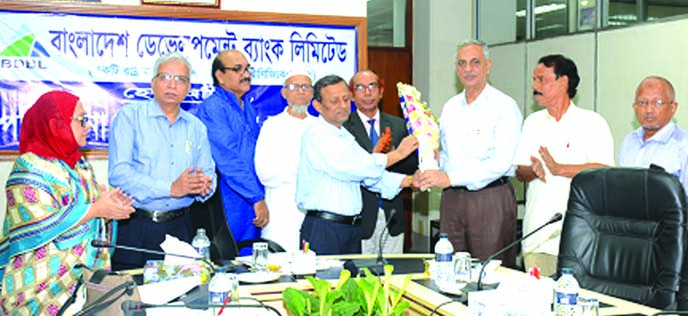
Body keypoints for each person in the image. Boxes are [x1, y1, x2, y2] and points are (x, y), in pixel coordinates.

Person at [0, 91, 134, 314]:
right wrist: (97, 209)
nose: (88, 126)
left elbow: (90, 212)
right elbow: (39, 225)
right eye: (81, 120)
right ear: (56, 125)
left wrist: (109, 211)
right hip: (39, 284)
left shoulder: (78, 164)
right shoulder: (29, 168)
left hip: (79, 278)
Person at [416, 39, 522, 267]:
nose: (468, 69)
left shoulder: (504, 106)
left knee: (490, 273)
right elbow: (446, 155)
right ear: (456, 68)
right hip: (452, 199)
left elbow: (500, 163)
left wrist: (449, 178)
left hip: (490, 198)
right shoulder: (451, 107)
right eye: (462, 63)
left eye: (475, 62)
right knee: (450, 269)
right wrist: (428, 170)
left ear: (488, 66)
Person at [109, 52, 216, 271]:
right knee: (134, 299)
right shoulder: (129, 117)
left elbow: (208, 172)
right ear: (153, 83)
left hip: (183, 227)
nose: (172, 85)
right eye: (166, 77)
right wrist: (171, 188)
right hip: (137, 225)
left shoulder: (196, 127)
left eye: (181, 80)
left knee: (184, 297)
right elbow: (118, 174)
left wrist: (205, 186)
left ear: (188, 88)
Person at [514, 54, 614, 276]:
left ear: (564, 82)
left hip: (579, 237)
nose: (534, 85)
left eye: (542, 79)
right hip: (537, 235)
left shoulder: (592, 122)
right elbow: (520, 171)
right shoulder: (532, 122)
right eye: (534, 79)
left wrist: (560, 169)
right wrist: (533, 171)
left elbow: (605, 171)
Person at [296, 74, 418, 255]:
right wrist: (398, 154)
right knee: (326, 283)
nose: (343, 106)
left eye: (345, 99)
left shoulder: (344, 135)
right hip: (326, 229)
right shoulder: (317, 134)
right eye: (334, 101)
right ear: (317, 106)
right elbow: (357, 166)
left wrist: (410, 181)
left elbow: (369, 178)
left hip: (350, 229)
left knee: (351, 282)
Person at [196, 50, 268, 255]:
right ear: (220, 76)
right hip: (230, 201)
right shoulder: (213, 108)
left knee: (252, 263)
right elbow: (228, 160)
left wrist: (258, 196)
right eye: (237, 69)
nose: (245, 74)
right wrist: (256, 198)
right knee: (231, 263)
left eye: (247, 69)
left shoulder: (247, 107)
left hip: (252, 197)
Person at [343, 69, 418, 254]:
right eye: (360, 88)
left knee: (393, 275)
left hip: (393, 215)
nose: (367, 93)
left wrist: (394, 155)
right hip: (360, 217)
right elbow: (353, 169)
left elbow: (411, 166)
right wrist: (382, 156)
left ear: (381, 91)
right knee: (362, 275)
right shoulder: (343, 128)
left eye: (372, 86)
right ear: (352, 95)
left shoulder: (399, 125)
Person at [254, 70, 316, 251]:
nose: (300, 91)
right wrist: (304, 172)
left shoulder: (319, 126)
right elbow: (264, 171)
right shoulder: (272, 125)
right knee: (279, 265)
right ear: (284, 93)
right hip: (281, 206)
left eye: (305, 86)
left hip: (313, 209)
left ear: (312, 93)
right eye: (294, 86)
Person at [618, 76, 688, 189]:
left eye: (657, 102)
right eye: (643, 103)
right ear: (634, 107)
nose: (649, 110)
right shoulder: (629, 141)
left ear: (673, 107)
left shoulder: (684, 145)